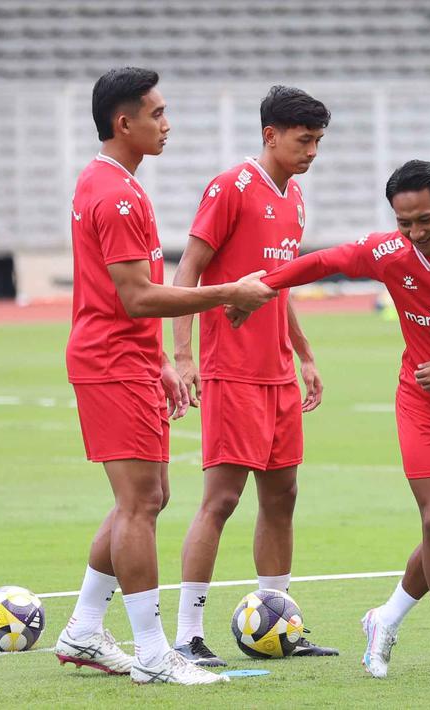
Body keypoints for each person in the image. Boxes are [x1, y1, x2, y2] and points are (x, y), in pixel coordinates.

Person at [234, 160, 430, 685]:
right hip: (422, 406)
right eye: (404, 223)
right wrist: (263, 285)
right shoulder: (391, 253)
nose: (416, 234)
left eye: (425, 219)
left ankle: (386, 617)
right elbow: (326, 261)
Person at [54, 66, 276, 686]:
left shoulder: (108, 182)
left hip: (124, 356)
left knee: (148, 499)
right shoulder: (118, 194)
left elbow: (117, 292)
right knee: (139, 504)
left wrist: (159, 360)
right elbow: (136, 297)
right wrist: (225, 292)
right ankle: (153, 653)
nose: (166, 124)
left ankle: (83, 629)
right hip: (109, 360)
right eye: (156, 114)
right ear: (123, 123)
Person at [169, 85, 338, 666]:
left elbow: (278, 285)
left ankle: (278, 620)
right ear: (271, 134)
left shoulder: (294, 196)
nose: (312, 151)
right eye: (304, 139)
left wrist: (306, 355)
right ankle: (187, 635)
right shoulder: (230, 188)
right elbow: (188, 269)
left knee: (283, 495)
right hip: (230, 370)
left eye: (318, 141)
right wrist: (183, 355)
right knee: (221, 499)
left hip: (277, 374)